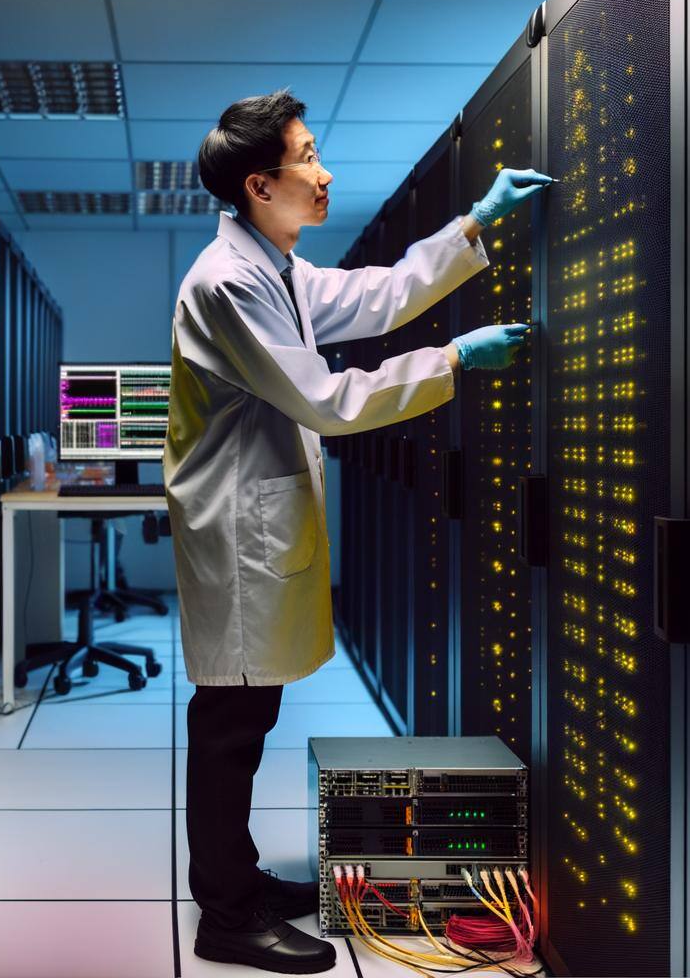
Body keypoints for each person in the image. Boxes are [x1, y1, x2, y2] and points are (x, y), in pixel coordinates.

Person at [165, 89, 547, 974]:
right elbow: (325, 401)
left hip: (255, 527)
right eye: (306, 156)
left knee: (243, 718)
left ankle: (242, 880)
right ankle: (226, 916)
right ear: (262, 185)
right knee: (229, 727)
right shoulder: (228, 281)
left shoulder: (276, 269)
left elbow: (373, 298)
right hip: (237, 534)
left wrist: (473, 224)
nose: (323, 171)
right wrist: (454, 359)